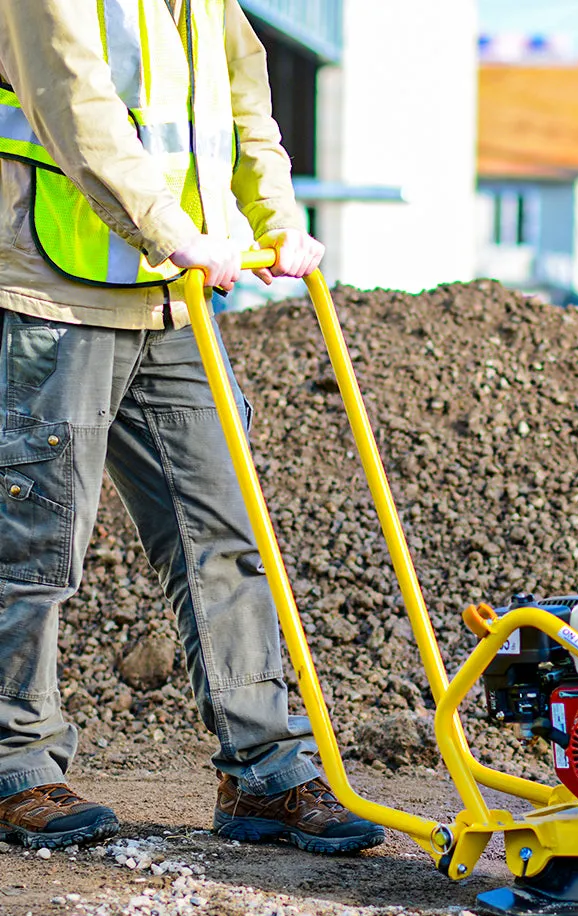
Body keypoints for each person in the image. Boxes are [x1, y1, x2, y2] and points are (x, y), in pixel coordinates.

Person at [0, 0, 384, 854]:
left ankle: (263, 772)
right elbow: (74, 104)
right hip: (56, 291)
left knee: (225, 527)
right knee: (30, 540)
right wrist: (174, 231)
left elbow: (247, 111)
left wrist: (276, 221)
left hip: (173, 302)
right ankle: (14, 766)